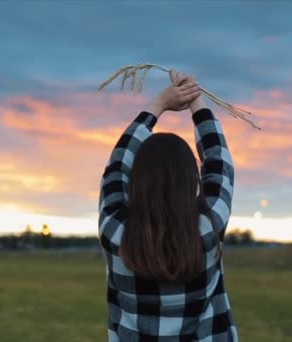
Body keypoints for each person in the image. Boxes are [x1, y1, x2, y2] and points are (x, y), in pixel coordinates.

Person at [98, 69, 238, 341]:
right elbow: (218, 159)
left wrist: (158, 104)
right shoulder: (208, 228)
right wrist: (194, 97)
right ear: (190, 181)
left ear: (136, 180)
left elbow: (116, 166)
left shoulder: (115, 231)